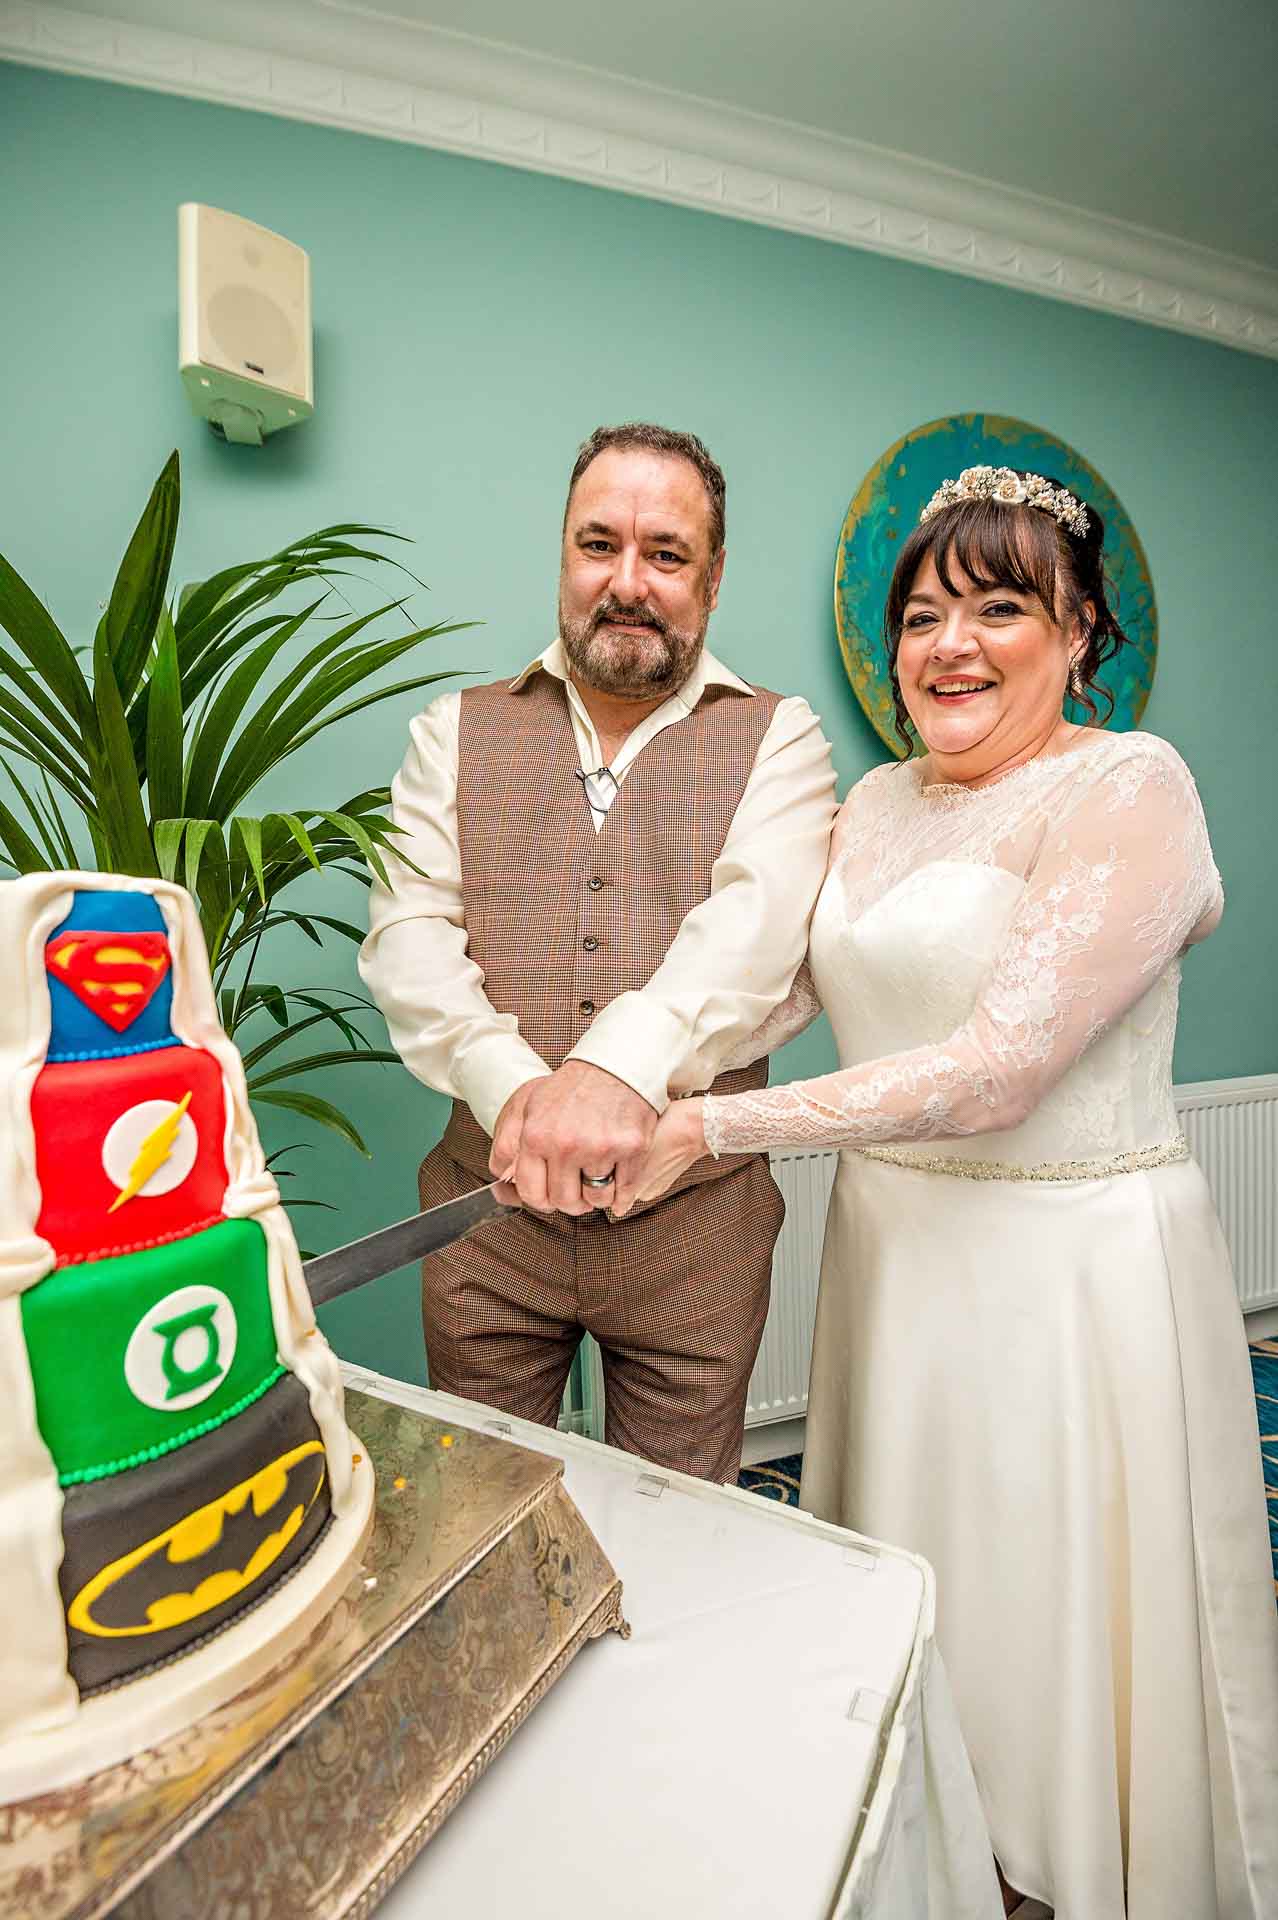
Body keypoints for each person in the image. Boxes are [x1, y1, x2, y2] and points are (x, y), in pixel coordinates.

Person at [629, 466, 1278, 1918]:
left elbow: (995, 1071)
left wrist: (705, 1137)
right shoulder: (870, 799)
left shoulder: (1129, 786)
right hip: (898, 1258)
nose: (950, 645)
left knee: (1061, 1612)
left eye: (999, 608)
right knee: (922, 1584)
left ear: (1077, 632)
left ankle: (1080, 1862)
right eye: (923, 614)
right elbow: (785, 989)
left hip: (1064, 1276)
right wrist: (622, 1081)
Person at [360, 423, 836, 1482]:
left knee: (681, 1537)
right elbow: (409, 938)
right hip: (486, 1223)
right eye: (598, 545)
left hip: (695, 1240)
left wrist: (611, 1071)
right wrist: (522, 1097)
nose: (629, 581)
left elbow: (755, 935)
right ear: (563, 558)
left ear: (711, 581)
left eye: (665, 554)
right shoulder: (453, 729)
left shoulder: (783, 735)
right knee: (482, 1517)